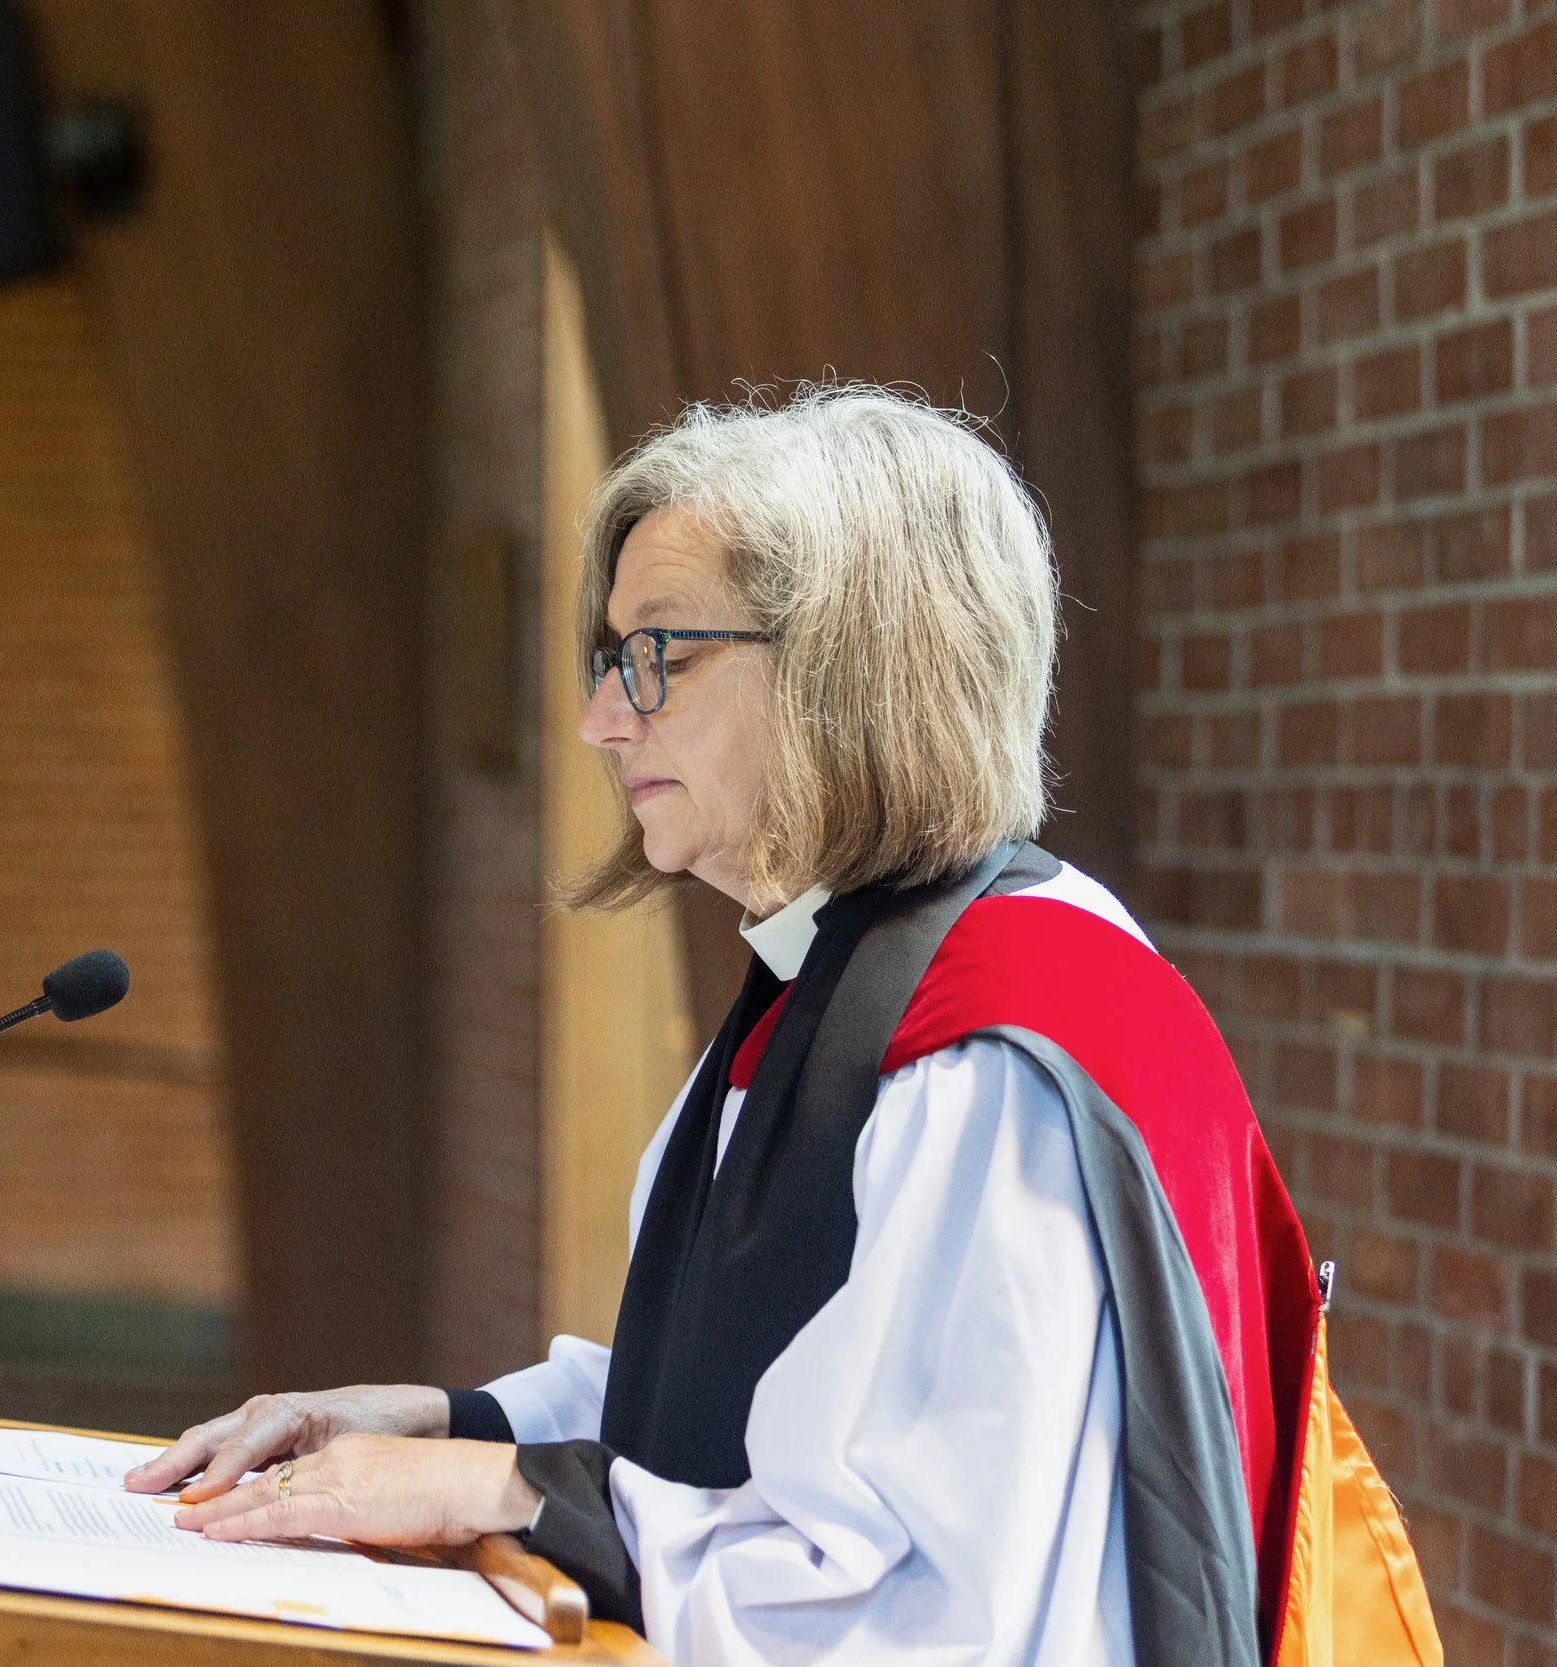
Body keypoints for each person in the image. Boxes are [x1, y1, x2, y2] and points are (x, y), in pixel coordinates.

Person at [124, 388, 1437, 1665]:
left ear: (848, 668)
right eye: (609, 659)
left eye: (660, 656)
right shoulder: (851, 971)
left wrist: (505, 1490)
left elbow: (931, 1614)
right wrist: (439, 1425)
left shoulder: (992, 1042)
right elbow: (744, 1400)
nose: (601, 720)